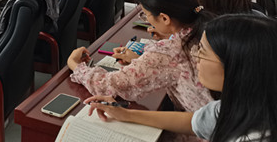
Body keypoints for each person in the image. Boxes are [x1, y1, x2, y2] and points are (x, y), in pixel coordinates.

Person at [85, 14, 277, 142]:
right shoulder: (240, 105)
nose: (195, 56)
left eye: (202, 51)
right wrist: (127, 115)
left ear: (237, 66)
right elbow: (196, 122)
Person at [68, 0, 213, 120]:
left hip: (200, 128)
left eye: (146, 15)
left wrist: (75, 65)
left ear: (164, 18)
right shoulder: (209, 28)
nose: (147, 20)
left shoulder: (169, 52)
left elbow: (108, 85)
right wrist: (142, 56)